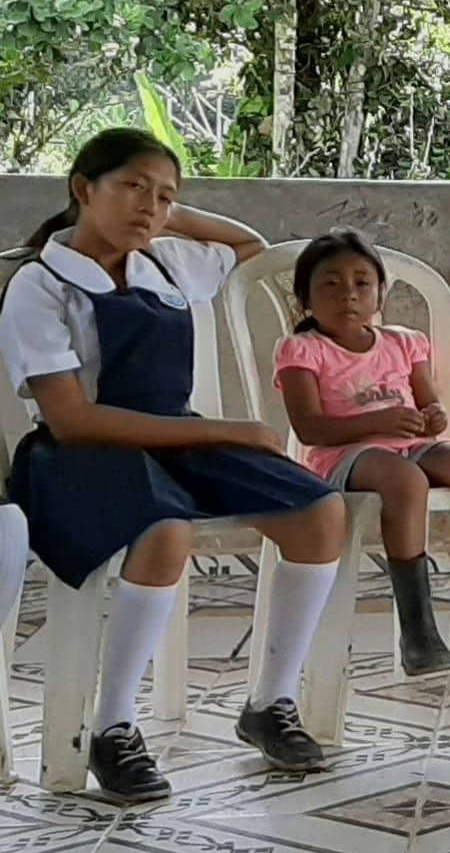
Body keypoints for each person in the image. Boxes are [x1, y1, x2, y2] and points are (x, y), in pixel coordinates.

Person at [0, 128, 347, 803]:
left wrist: (159, 212)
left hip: (179, 439)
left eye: (164, 196)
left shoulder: (164, 261)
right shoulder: (40, 286)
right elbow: (72, 417)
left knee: (319, 509)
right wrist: (226, 429)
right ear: (81, 188)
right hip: (78, 454)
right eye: (132, 187)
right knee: (166, 530)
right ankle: (114, 727)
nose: (150, 208)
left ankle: (269, 703)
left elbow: (248, 245)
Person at [275, 229, 450, 676]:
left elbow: (431, 404)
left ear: (380, 293)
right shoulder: (303, 349)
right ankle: (418, 631)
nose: (348, 295)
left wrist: (432, 418)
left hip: (411, 444)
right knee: (404, 480)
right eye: (330, 284)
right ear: (305, 300)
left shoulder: (403, 342)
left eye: (361, 283)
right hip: (344, 456)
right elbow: (309, 428)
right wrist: (377, 422)